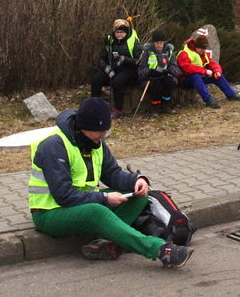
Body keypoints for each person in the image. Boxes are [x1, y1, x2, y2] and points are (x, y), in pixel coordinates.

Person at [28, 97, 193, 267]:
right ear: (84, 126)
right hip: (49, 212)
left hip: (81, 202)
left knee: (139, 197)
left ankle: (106, 243)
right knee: (97, 211)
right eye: (100, 132)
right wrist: (105, 198)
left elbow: (112, 173)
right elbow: (64, 195)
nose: (102, 136)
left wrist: (137, 180)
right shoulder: (53, 146)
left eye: (105, 132)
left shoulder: (95, 142)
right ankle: (159, 249)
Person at [91, 19, 143, 119]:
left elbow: (139, 60)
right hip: (112, 69)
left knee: (117, 82)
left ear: (126, 32)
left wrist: (124, 59)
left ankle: (118, 109)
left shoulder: (133, 41)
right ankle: (94, 105)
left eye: (122, 32)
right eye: (117, 32)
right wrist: (106, 68)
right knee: (96, 79)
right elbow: (102, 57)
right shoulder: (110, 41)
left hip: (129, 70)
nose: (119, 34)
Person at [177, 34, 240, 109]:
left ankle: (231, 95)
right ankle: (208, 100)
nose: (204, 50)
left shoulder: (202, 54)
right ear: (197, 47)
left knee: (218, 76)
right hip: (185, 79)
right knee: (195, 76)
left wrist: (217, 71)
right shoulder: (184, 53)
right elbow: (186, 68)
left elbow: (212, 64)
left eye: (205, 48)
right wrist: (205, 71)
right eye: (203, 48)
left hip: (199, 77)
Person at [138, 30, 181, 115]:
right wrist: (149, 72)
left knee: (169, 81)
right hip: (151, 77)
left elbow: (175, 67)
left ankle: (166, 105)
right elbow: (141, 69)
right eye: (157, 42)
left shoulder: (169, 51)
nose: (159, 45)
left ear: (164, 42)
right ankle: (155, 107)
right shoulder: (147, 51)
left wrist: (169, 70)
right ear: (153, 43)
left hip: (165, 75)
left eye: (161, 42)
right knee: (156, 84)